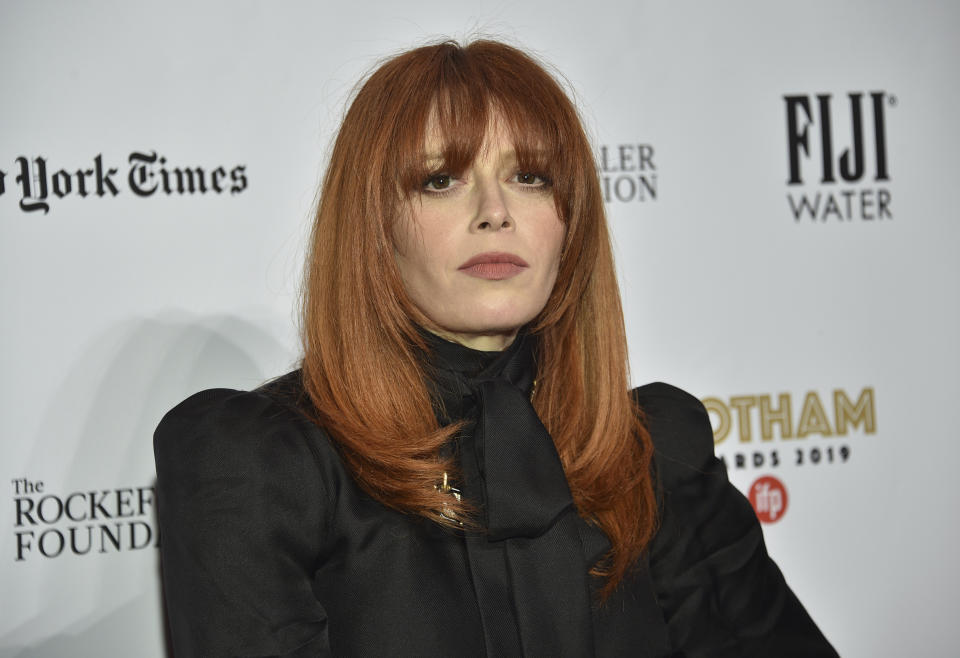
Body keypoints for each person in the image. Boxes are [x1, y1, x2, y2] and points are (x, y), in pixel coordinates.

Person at [154, 39, 838, 657]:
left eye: (530, 176)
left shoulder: (654, 454)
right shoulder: (263, 468)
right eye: (440, 179)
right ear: (373, 225)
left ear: (570, 222)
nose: (495, 211)